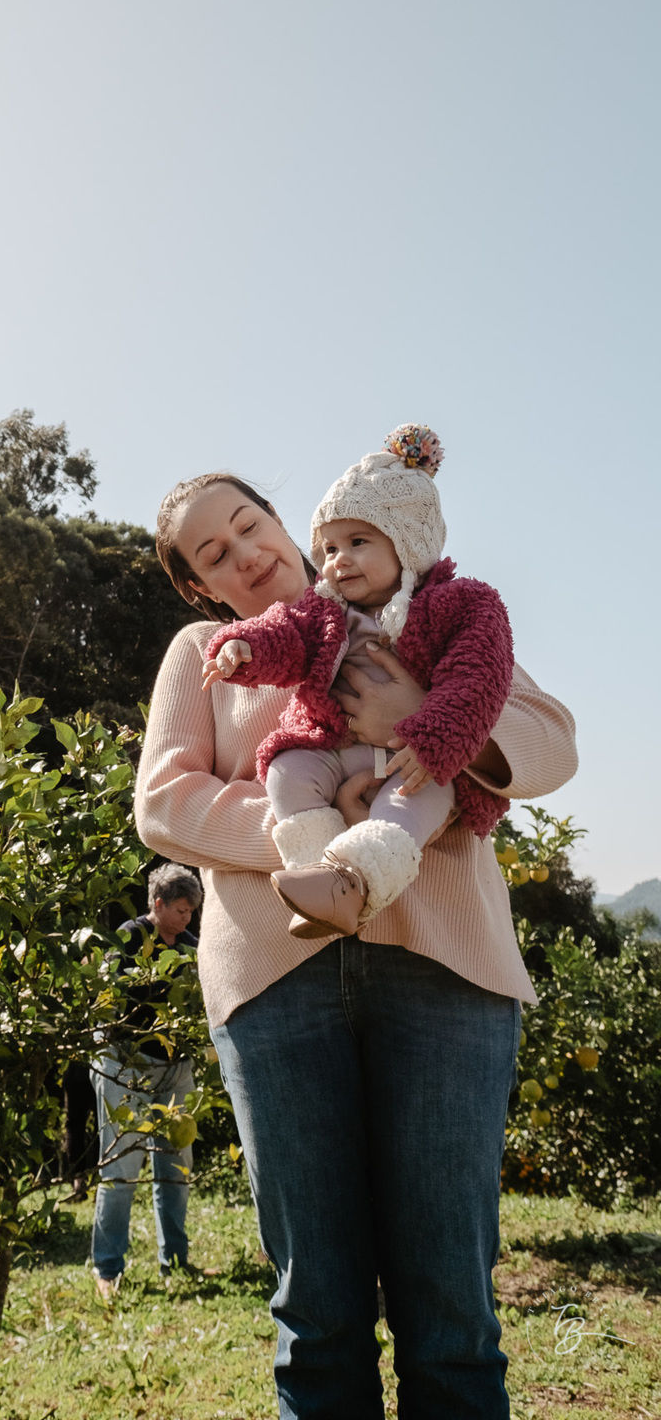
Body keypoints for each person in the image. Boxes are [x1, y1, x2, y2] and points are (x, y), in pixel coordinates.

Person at [137, 467, 577, 1418]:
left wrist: (424, 722)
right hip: (276, 984)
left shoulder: (416, 608)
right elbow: (163, 803)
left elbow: (551, 742)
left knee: (452, 1314)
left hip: (443, 970)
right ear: (200, 587)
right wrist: (331, 828)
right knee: (319, 1314)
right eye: (214, 554)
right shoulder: (207, 654)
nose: (245, 553)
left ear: (282, 520)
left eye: (248, 524)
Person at [202, 426, 515, 938]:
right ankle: (317, 873)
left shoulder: (462, 605)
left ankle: (358, 880)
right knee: (285, 770)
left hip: (415, 757)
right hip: (331, 746)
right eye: (328, 548)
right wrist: (244, 646)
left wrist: (432, 738)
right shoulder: (324, 609)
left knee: (412, 803)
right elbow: (285, 633)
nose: (337, 560)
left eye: (358, 542)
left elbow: (477, 681)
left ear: (407, 544)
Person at [89, 862, 203, 1300]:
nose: (187, 918)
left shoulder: (191, 947)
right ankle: (108, 1268)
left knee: (176, 1166)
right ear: (158, 904)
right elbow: (108, 996)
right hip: (126, 1063)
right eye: (181, 910)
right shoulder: (130, 938)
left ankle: (175, 1258)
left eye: (191, 911)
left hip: (174, 1068)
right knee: (121, 1168)